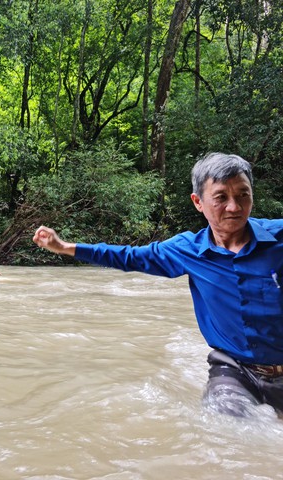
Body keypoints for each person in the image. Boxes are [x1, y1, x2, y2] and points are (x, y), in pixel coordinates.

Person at [33, 152, 283, 418]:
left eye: (243, 195)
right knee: (227, 424)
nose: (234, 206)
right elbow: (131, 257)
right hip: (233, 369)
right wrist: (65, 248)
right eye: (221, 197)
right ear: (198, 202)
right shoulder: (187, 250)